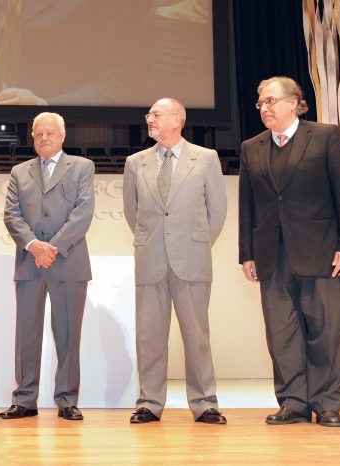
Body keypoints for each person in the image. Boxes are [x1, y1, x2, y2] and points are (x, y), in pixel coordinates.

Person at [239, 76, 340, 427]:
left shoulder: (324, 137)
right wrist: (246, 253)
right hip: (270, 256)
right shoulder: (252, 146)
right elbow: (247, 205)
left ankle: (326, 403)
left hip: (322, 252)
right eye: (260, 103)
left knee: (326, 330)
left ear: (293, 102)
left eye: (271, 101)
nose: (265, 108)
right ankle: (293, 401)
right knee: (282, 333)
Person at [123, 98, 227, 425]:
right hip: (150, 259)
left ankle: (205, 403)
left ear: (177, 119)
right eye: (149, 114)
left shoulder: (206, 158)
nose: (148, 118)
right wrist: (153, 241)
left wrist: (194, 244)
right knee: (149, 337)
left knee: (197, 337)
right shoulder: (134, 162)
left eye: (155, 114)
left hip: (192, 260)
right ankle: (149, 403)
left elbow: (218, 212)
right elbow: (132, 212)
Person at [0, 112, 94, 421]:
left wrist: (52, 248)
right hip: (30, 262)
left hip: (68, 262)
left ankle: (67, 400)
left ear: (62, 136)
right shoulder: (18, 171)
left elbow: (83, 212)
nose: (44, 138)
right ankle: (25, 399)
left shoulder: (82, 167)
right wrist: (33, 246)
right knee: (26, 334)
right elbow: (11, 214)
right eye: (38, 134)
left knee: (68, 334)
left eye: (50, 133)